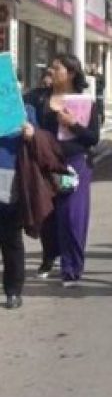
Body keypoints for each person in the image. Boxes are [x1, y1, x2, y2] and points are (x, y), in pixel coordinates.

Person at [26, 53, 100, 287]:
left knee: (72, 216)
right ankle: (50, 256)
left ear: (71, 73)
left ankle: (71, 269)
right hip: (45, 164)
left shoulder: (85, 103)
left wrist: (73, 125)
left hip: (74, 165)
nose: (51, 70)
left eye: (57, 68)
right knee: (46, 214)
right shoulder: (38, 98)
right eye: (51, 67)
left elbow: (93, 138)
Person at [0, 115, 37, 308]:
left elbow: (38, 143)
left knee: (11, 239)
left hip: (9, 176)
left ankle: (13, 291)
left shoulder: (22, 110)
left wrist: (31, 135)